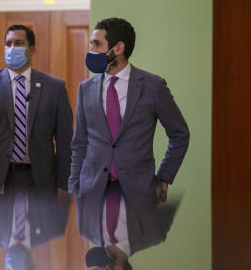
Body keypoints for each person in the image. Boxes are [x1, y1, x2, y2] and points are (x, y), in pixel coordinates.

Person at [68, 17, 189, 201]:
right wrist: (74, 184)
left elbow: (180, 134)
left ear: (118, 48)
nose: (90, 50)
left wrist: (165, 176)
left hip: (139, 192)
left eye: (96, 44)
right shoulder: (86, 89)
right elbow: (80, 144)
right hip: (92, 192)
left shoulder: (153, 86)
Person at [0, 24, 73, 195]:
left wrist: (64, 184)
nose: (12, 48)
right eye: (8, 43)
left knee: (40, 223)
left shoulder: (54, 88)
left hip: (40, 181)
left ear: (32, 49)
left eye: (19, 43)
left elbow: (65, 141)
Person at [76, 177, 180, 270]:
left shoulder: (85, 230)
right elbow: (160, 184)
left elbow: (78, 181)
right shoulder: (154, 233)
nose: (91, 269)